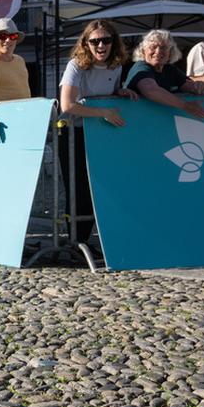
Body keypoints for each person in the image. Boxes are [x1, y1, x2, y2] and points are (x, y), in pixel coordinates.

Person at [59, 21, 135, 247]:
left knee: (102, 188)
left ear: (113, 42)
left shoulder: (116, 66)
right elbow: (67, 105)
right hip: (73, 134)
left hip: (99, 134)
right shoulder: (76, 65)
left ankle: (96, 241)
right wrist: (104, 112)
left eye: (106, 40)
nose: (101, 45)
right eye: (95, 41)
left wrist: (120, 92)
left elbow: (107, 93)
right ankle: (76, 243)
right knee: (78, 190)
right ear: (86, 44)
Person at [124, 29, 204, 119]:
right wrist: (186, 106)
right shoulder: (141, 67)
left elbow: (188, 85)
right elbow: (151, 90)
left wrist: (199, 86)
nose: (158, 51)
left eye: (163, 47)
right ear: (143, 51)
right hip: (135, 119)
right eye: (153, 47)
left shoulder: (170, 69)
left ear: (170, 52)